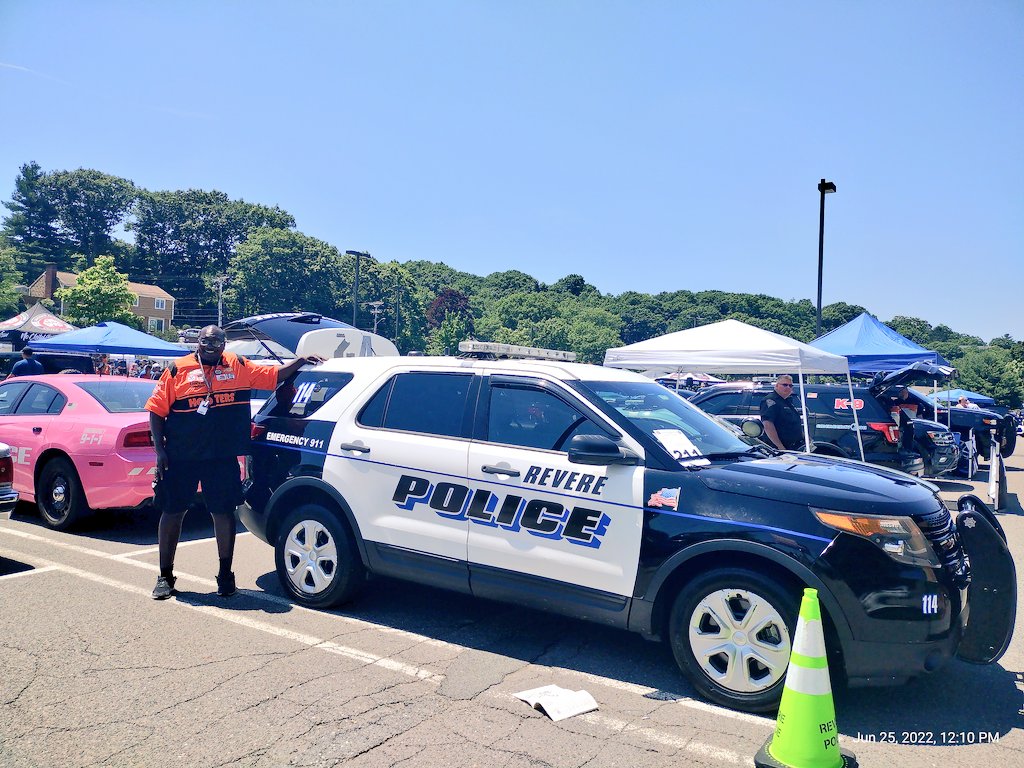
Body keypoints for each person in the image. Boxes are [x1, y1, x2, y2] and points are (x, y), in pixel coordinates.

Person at [145, 325, 324, 600]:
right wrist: (160, 450)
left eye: (217, 343)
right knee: (172, 512)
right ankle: (165, 576)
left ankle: (226, 576)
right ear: (198, 343)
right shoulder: (177, 369)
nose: (211, 347)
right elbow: (156, 411)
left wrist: (300, 361)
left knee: (224, 513)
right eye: (206, 342)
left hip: (222, 457)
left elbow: (275, 375)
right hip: (182, 457)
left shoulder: (239, 365)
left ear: (224, 345)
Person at [759, 374, 805, 451]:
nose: (788, 387)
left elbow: (794, 424)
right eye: (785, 385)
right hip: (780, 448)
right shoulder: (771, 400)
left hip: (794, 447)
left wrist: (806, 438)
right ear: (776, 386)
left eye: (790, 386)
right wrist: (780, 447)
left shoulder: (788, 401)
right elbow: (768, 425)